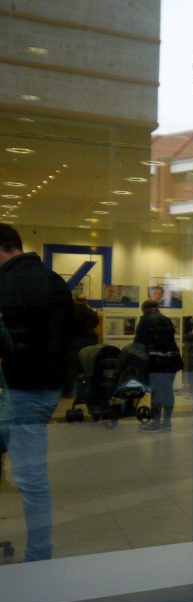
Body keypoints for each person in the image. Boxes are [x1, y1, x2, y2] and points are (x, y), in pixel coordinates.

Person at [0, 223, 74, 562]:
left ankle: (39, 557)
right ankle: (38, 554)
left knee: (30, 478)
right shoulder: (54, 280)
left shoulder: (8, 282)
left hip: (18, 388)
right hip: (47, 387)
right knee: (31, 477)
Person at [134, 299, 181, 432]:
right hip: (172, 359)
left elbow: (138, 342)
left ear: (145, 309)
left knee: (156, 392)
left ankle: (155, 422)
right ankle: (167, 423)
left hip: (156, 361)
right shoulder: (166, 320)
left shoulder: (145, 320)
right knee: (167, 391)